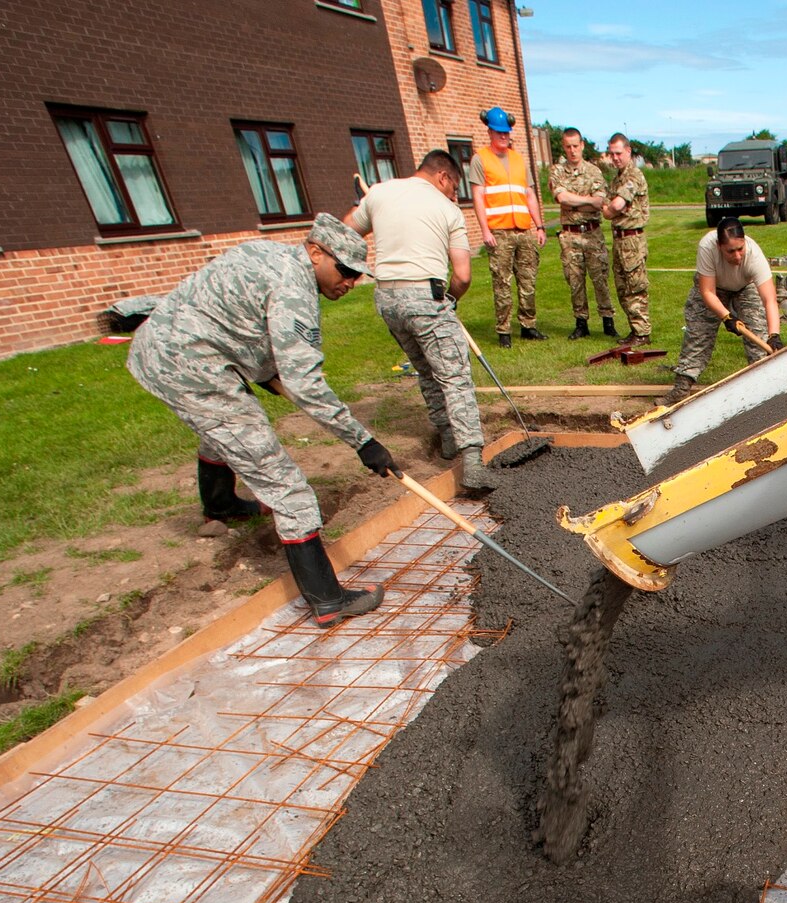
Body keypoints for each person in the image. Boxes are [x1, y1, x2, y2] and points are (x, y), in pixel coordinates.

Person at [128, 214, 397, 626]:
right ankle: (328, 600)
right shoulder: (295, 291)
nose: (350, 281)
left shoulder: (267, 254)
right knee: (287, 488)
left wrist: (270, 377)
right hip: (193, 368)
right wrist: (363, 442)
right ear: (314, 252)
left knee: (223, 429)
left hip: (163, 347)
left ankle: (222, 505)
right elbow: (305, 384)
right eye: (344, 270)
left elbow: (245, 329)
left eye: (358, 275)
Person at [345, 149, 491, 496]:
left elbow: (345, 231)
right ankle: (472, 464)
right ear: (443, 176)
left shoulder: (379, 193)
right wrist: (450, 300)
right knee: (454, 375)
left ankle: (447, 441)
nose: (455, 195)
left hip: (387, 298)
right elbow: (463, 274)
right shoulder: (446, 209)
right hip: (425, 295)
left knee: (426, 371)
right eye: (454, 187)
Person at [661, 220, 784, 406]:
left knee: (759, 339)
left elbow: (770, 300)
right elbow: (707, 291)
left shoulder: (754, 256)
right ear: (719, 246)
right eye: (730, 251)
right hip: (714, 288)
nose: (737, 256)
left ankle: (765, 391)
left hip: (746, 287)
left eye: (740, 249)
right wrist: (727, 317)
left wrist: (774, 335)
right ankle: (681, 389)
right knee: (698, 335)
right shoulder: (707, 247)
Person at [469, 105, 546, 348]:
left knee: (528, 280)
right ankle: (504, 331)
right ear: (490, 132)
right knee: (501, 282)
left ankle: (528, 326)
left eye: (506, 132)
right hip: (499, 232)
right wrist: (485, 231)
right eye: (498, 132)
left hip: (523, 230)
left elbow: (530, 195)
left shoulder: (518, 159)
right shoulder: (480, 159)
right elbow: (478, 197)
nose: (503, 136)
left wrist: (540, 226)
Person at [550, 127, 618, 341]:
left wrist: (577, 201)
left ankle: (608, 321)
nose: (572, 151)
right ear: (564, 147)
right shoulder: (557, 172)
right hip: (569, 236)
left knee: (600, 279)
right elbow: (561, 198)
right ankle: (581, 323)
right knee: (575, 280)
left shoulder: (594, 171)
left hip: (592, 234)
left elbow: (599, 202)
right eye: (568, 147)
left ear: (582, 146)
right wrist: (586, 200)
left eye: (575, 146)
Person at [603, 133, 652, 345]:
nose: (615, 158)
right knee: (623, 287)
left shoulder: (634, 176)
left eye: (618, 153)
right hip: (619, 239)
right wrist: (609, 208)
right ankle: (635, 329)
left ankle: (643, 333)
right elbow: (608, 206)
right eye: (611, 154)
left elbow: (615, 206)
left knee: (635, 287)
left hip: (632, 240)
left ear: (628, 152)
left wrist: (609, 210)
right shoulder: (617, 179)